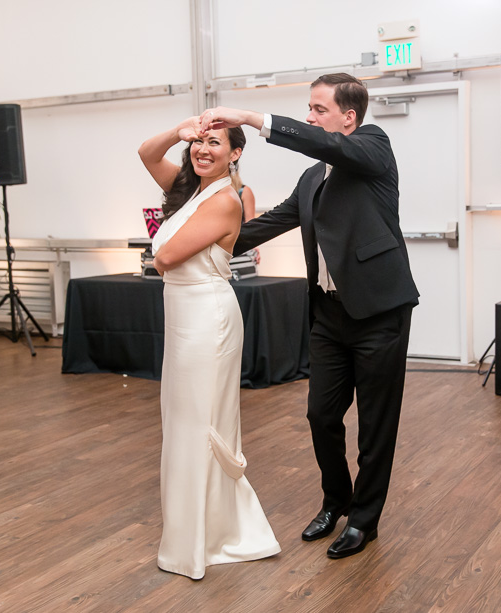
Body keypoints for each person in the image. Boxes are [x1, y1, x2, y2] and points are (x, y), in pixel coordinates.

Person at [198, 73, 420, 559]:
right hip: (329, 315)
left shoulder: (373, 147)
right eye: (309, 108)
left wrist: (254, 119)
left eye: (319, 109)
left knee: (376, 425)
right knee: (321, 414)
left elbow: (325, 145)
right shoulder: (311, 176)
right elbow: (275, 221)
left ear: (349, 117)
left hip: (379, 313)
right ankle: (336, 501)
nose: (310, 117)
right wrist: (203, 241)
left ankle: (365, 520)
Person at [138, 115, 280, 579]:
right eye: (198, 143)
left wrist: (163, 247)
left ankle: (210, 536)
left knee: (200, 422)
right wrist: (179, 130)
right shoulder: (192, 190)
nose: (203, 149)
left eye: (213, 142)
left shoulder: (225, 201)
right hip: (183, 316)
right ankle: (193, 530)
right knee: (180, 422)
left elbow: (164, 257)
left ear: (235, 152)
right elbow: (146, 153)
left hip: (207, 318)